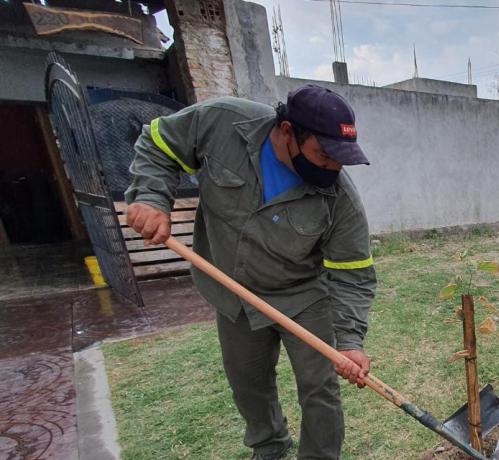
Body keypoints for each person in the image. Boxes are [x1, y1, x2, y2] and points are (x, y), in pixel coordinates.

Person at [125, 85, 376, 459]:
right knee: (248, 383)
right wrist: (150, 197)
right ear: (289, 131)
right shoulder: (222, 122)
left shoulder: (339, 198)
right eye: (323, 155)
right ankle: (269, 448)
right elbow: (158, 143)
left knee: (319, 388)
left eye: (340, 160)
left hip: (302, 297)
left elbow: (352, 273)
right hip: (234, 293)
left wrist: (351, 342)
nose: (332, 168)